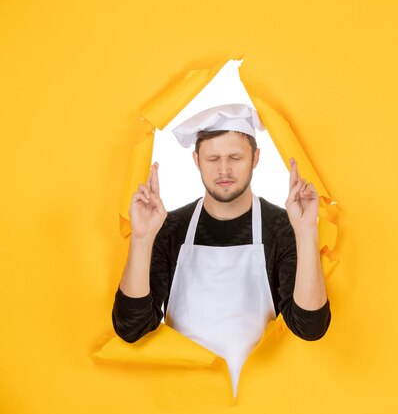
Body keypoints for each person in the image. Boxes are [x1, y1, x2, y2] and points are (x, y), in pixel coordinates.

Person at [111, 103, 330, 394]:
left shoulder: (282, 227)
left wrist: (306, 232)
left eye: (235, 157)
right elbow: (131, 328)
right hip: (185, 399)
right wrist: (141, 239)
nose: (223, 169)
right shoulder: (167, 227)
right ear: (196, 161)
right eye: (212, 158)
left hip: (261, 400)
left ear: (255, 158)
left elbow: (310, 327)